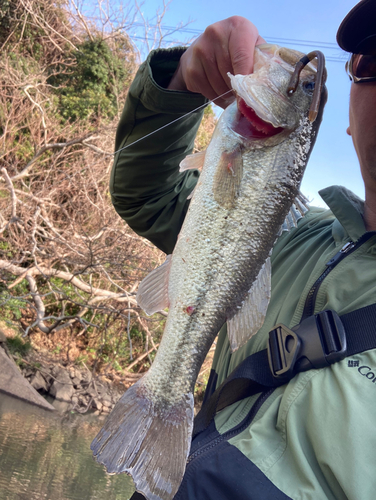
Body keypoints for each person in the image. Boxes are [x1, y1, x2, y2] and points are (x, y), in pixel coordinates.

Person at [110, 0, 376, 498]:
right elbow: (146, 197)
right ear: (345, 119)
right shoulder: (291, 236)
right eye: (375, 63)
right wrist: (177, 89)